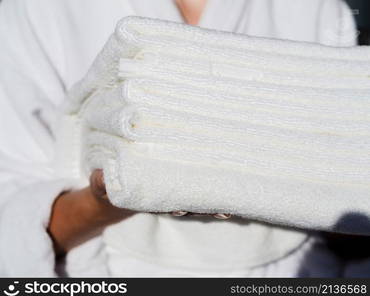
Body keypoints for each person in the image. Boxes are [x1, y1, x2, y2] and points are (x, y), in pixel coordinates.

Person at [0, 0, 365, 277]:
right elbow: (12, 226)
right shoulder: (37, 10)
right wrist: (107, 200)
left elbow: (340, 177)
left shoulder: (315, 7)